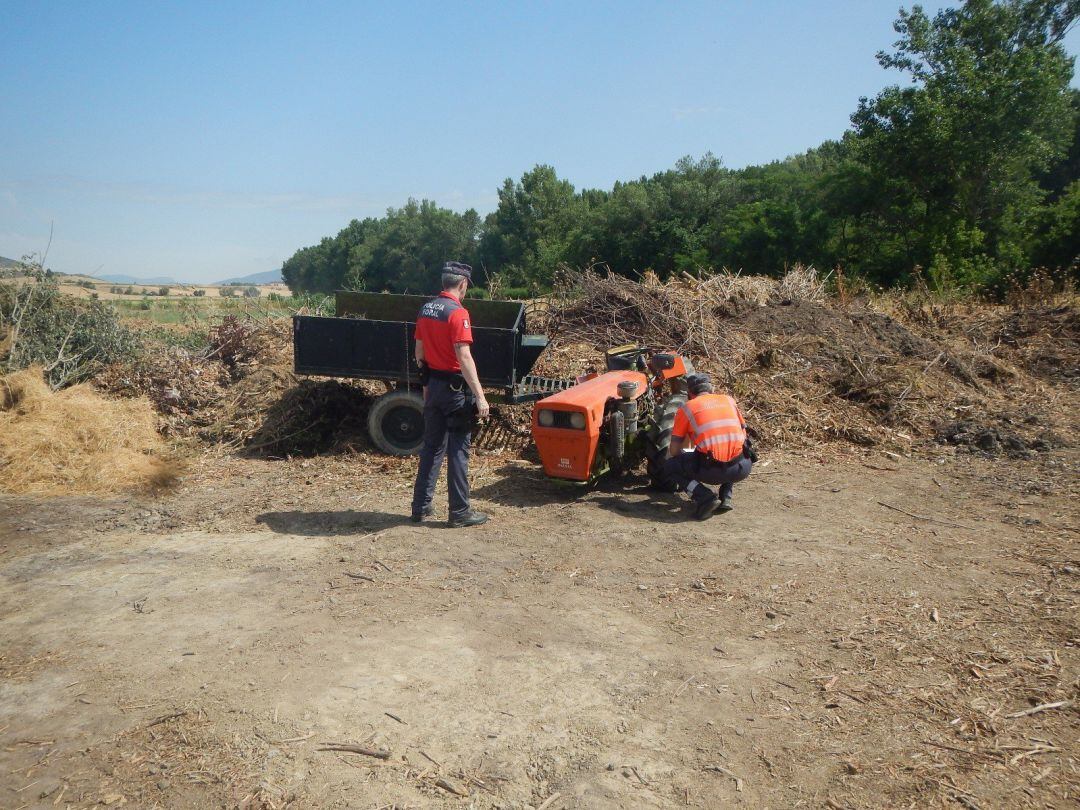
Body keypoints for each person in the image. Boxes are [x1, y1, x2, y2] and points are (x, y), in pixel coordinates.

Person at [410, 261, 491, 528]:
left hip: (433, 386)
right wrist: (480, 395)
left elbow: (419, 352)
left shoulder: (426, 309)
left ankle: (420, 508)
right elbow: (464, 355)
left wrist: (426, 384)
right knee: (458, 449)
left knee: (431, 447)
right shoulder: (458, 313)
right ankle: (459, 512)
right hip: (455, 392)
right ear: (463, 284)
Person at [663, 373, 757, 520]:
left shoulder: (688, 408)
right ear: (711, 388)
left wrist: (689, 448)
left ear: (690, 393)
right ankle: (726, 496)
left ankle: (704, 497)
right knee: (728, 446)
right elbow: (743, 436)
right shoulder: (729, 400)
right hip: (742, 467)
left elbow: (674, 451)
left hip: (712, 471)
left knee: (670, 466)